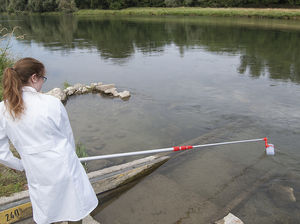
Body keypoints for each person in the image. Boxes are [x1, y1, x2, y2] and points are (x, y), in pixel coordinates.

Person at [0, 58, 98, 224]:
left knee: (48, 210)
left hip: (37, 171)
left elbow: (2, 153)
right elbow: (68, 139)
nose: (42, 84)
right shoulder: (51, 103)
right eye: (42, 79)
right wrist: (73, 159)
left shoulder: (3, 109)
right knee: (75, 208)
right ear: (33, 78)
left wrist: (22, 164)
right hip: (64, 167)